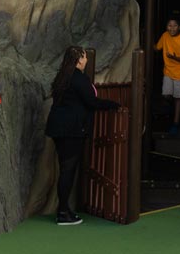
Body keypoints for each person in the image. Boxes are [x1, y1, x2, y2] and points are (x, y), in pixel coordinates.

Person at [43, 46, 120, 225]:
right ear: (79, 60)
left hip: (58, 127)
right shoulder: (79, 79)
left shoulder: (63, 76)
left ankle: (64, 208)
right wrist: (112, 104)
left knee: (65, 168)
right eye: (84, 57)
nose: (86, 60)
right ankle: (62, 212)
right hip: (71, 129)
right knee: (68, 170)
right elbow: (91, 102)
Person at [154, 19, 180, 132]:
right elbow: (157, 48)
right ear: (166, 27)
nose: (172, 28)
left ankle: (176, 123)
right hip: (168, 72)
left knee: (178, 99)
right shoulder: (165, 36)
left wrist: (174, 58)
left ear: (179, 27)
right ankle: (178, 107)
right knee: (166, 95)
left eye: (175, 25)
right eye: (169, 25)